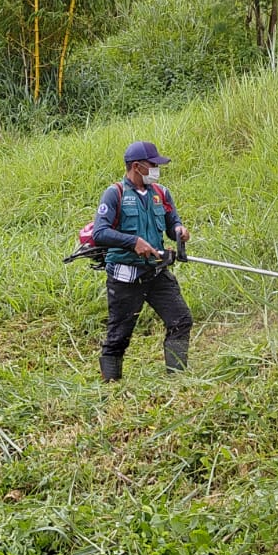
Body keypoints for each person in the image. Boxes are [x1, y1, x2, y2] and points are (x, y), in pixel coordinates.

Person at [89, 141, 193, 382]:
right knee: (119, 336)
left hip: (156, 272)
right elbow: (100, 232)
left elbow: (172, 223)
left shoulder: (161, 193)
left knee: (181, 320)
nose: (157, 169)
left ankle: (177, 379)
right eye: (152, 165)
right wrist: (132, 242)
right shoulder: (115, 193)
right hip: (125, 276)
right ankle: (111, 386)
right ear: (136, 166)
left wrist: (179, 230)